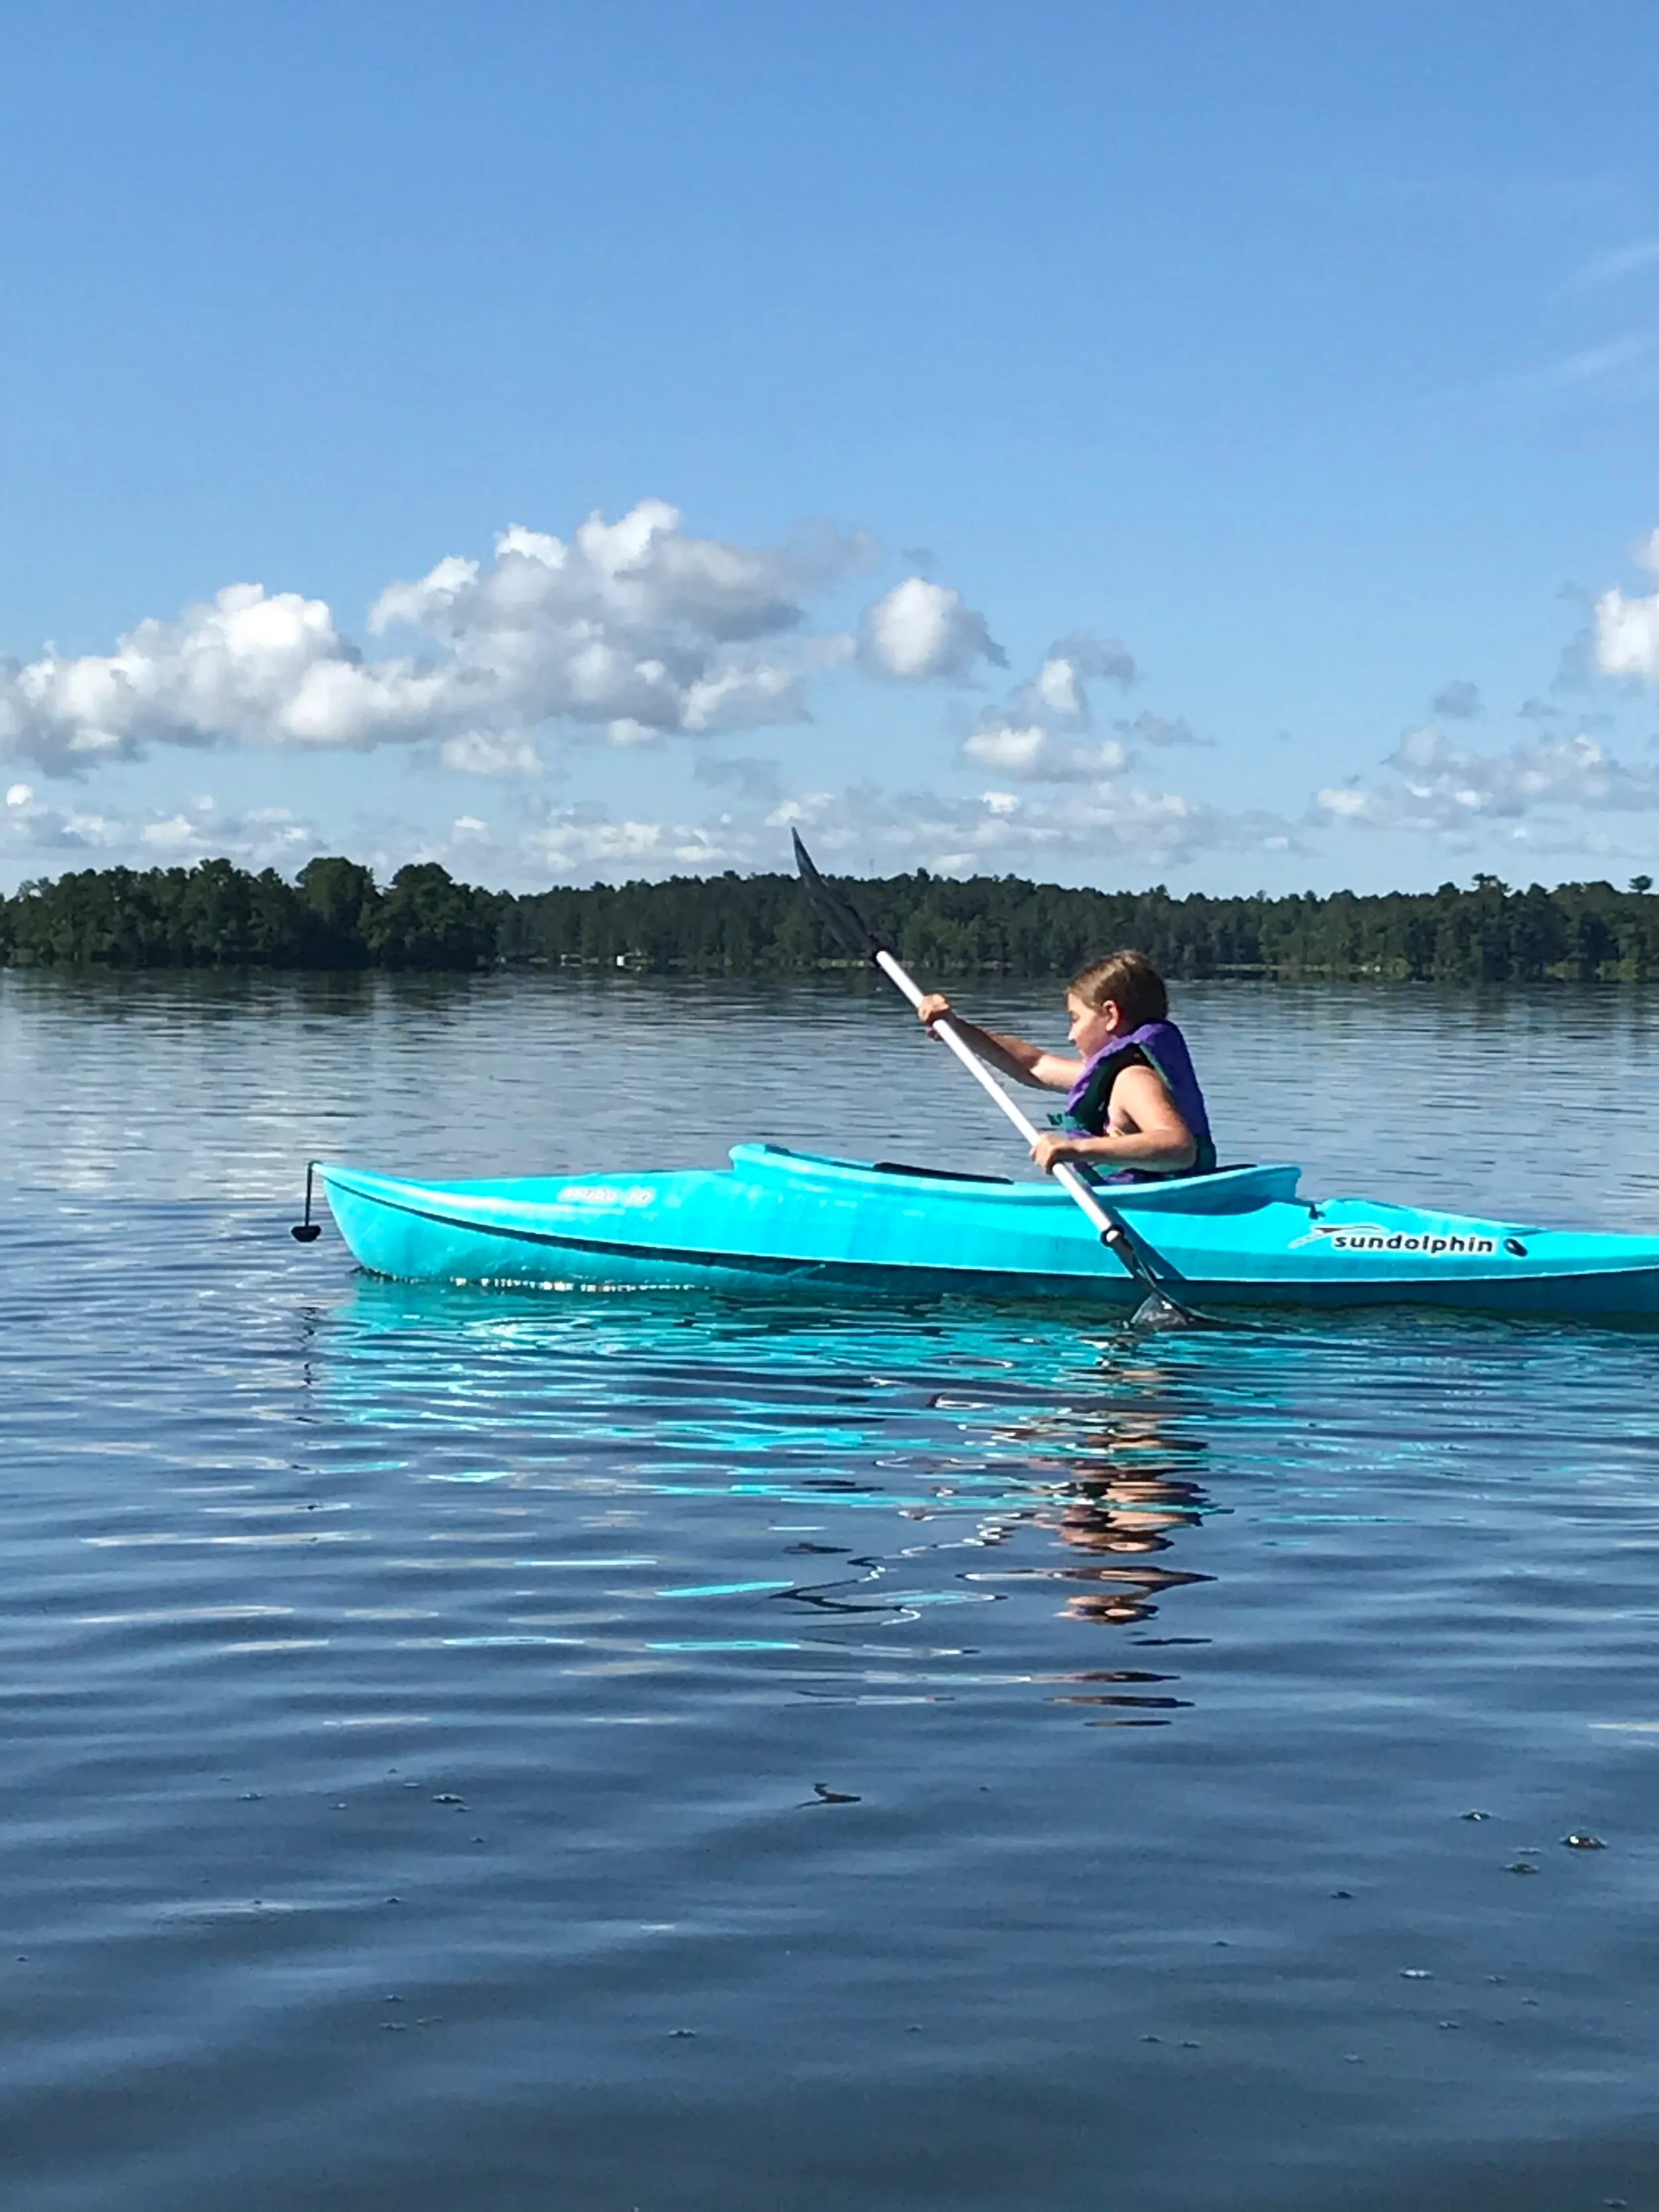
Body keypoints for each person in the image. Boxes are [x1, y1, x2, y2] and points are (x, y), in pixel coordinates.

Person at [914, 949, 1215, 1183]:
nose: (1070, 1035)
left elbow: (1179, 1148)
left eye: (1076, 1019)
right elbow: (1035, 1065)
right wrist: (956, 1028)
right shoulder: (1122, 1074)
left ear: (1110, 1015)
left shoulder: (1133, 1079)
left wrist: (1074, 1149)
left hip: (1151, 1214)